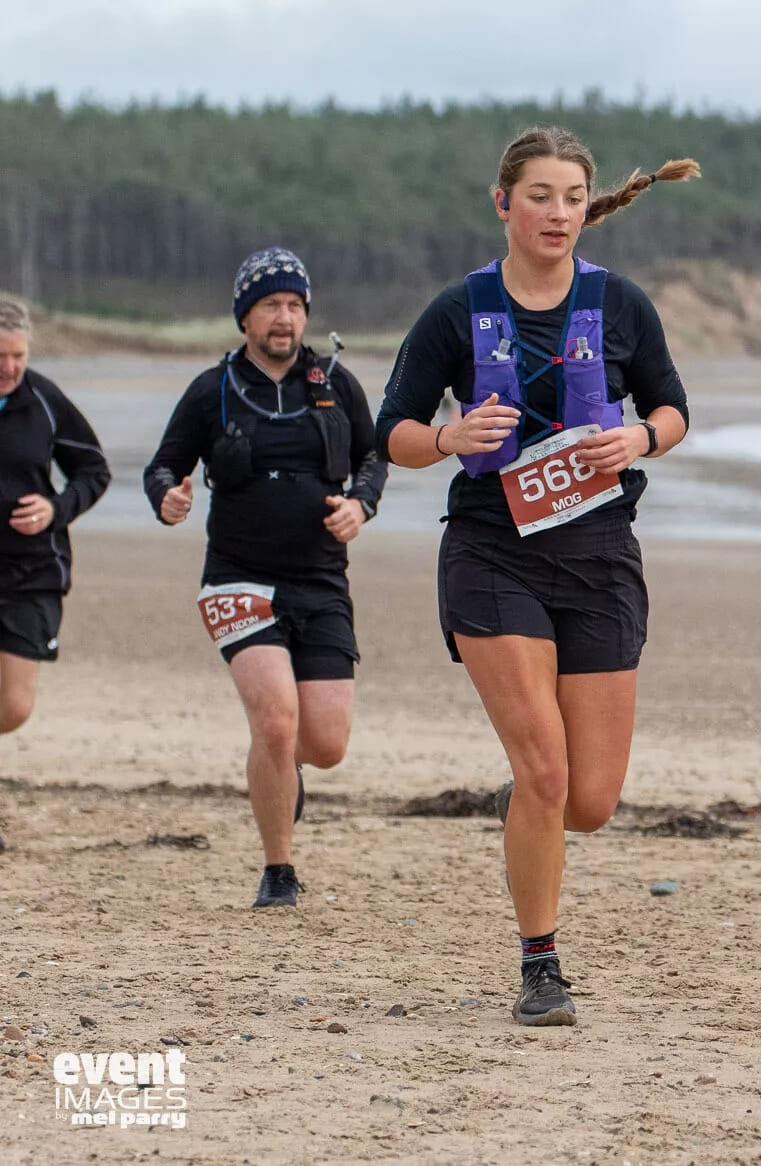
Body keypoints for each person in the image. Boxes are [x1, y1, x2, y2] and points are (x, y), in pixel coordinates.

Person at [376, 126, 695, 1027]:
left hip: (599, 557)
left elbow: (674, 409)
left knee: (588, 801)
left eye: (571, 198)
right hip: (491, 553)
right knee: (545, 772)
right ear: (503, 202)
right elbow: (392, 431)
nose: (557, 213)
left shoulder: (621, 303)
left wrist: (639, 437)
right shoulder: (457, 309)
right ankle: (540, 963)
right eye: (540, 196)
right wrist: (445, 438)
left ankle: (534, 820)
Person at [143, 248, 387, 909]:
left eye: (294, 306)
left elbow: (373, 458)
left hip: (320, 580)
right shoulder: (212, 390)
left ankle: (284, 773)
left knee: (325, 744)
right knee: (276, 723)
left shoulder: (335, 381)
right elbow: (161, 468)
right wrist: (168, 497)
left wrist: (360, 504)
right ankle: (279, 869)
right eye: (271, 306)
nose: (285, 319)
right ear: (245, 316)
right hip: (237, 578)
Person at [0, 294, 112, 848]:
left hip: (32, 572)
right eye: (0, 355)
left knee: (13, 708)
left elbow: (93, 469)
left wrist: (54, 509)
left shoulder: (43, 399)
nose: (9, 367)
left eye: (18, 355)